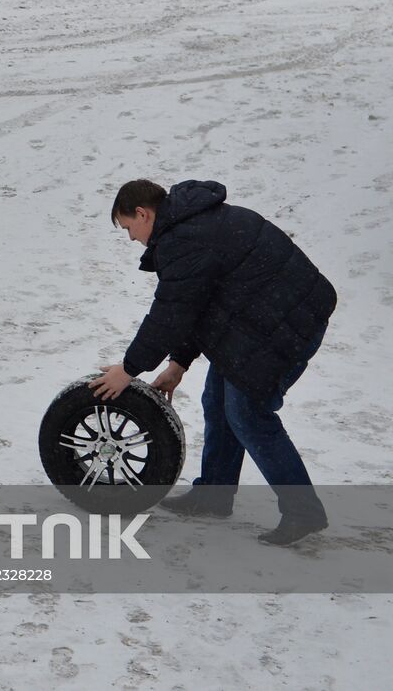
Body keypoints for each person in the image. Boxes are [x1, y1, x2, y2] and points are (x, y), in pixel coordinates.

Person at [89, 179, 337, 546]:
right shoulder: (191, 225)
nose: (131, 238)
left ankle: (303, 511)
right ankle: (214, 495)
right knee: (218, 402)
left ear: (142, 214)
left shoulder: (184, 239)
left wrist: (128, 369)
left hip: (287, 321)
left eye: (128, 228)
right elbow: (199, 304)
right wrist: (179, 363)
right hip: (258, 318)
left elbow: (171, 313)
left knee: (248, 414)